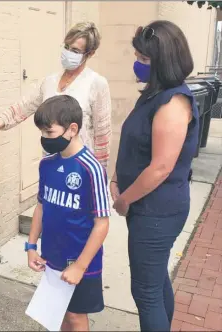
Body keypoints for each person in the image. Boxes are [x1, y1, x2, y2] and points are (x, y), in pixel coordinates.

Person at [110, 21, 198, 331]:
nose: (137, 63)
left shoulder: (173, 103)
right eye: (137, 56)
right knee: (156, 280)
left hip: (156, 210)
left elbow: (161, 167)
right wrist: (116, 177)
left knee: (145, 292)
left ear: (164, 62)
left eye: (145, 59)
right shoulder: (154, 94)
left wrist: (124, 200)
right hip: (148, 207)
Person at [0, 22, 112, 169]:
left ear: (89, 54)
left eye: (75, 51)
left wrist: (100, 171)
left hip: (81, 166)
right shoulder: (49, 82)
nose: (68, 53)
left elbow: (102, 134)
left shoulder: (96, 83)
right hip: (51, 162)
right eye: (66, 47)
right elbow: (22, 107)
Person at [25, 95, 110, 331]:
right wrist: (31, 247)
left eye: (49, 132)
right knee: (58, 313)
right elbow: (41, 206)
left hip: (81, 260)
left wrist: (80, 266)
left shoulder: (91, 168)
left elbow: (102, 223)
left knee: (75, 316)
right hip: (53, 256)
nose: (44, 138)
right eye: (41, 132)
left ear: (72, 129)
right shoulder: (47, 164)